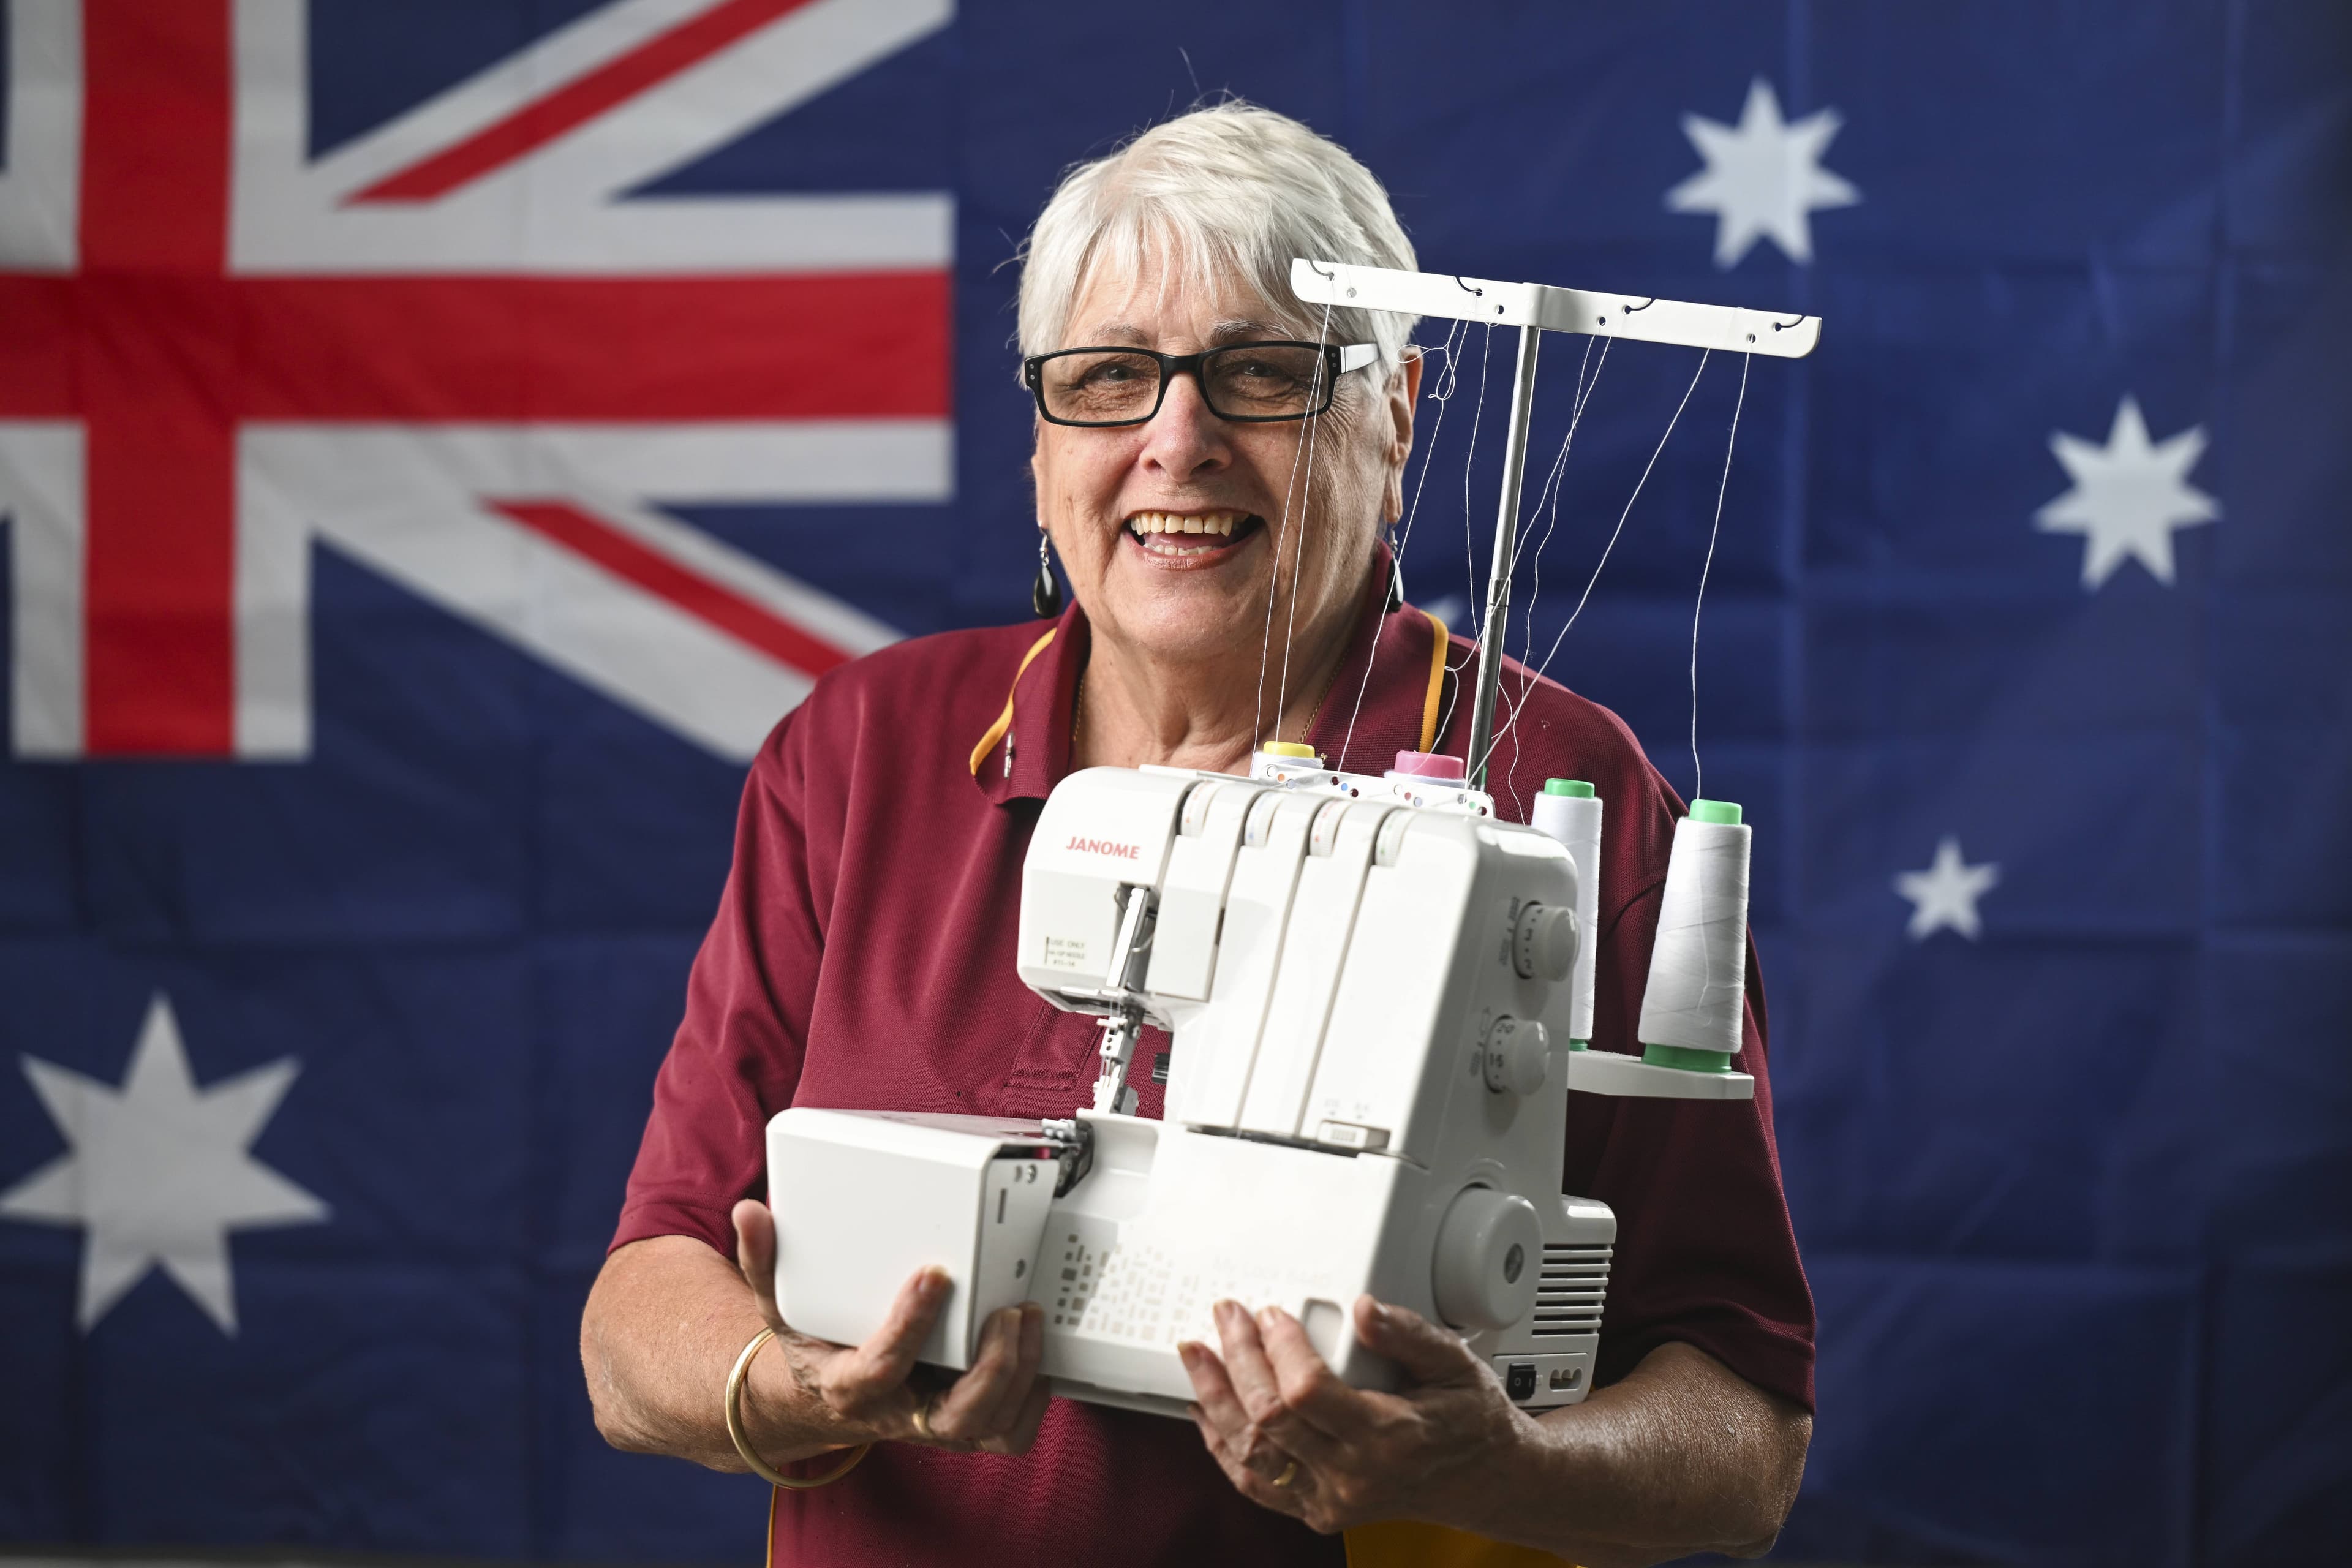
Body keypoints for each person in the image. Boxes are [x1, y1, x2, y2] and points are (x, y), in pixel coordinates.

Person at [580, 101, 1814, 1567]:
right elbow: (637, 1311)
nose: (1179, 442)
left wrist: (1500, 1465)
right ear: (1043, 449)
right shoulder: (864, 752)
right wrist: (797, 1388)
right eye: (1108, 378)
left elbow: (1746, 1435)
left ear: (1399, 413)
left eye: (1260, 375)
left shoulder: (1564, 795)